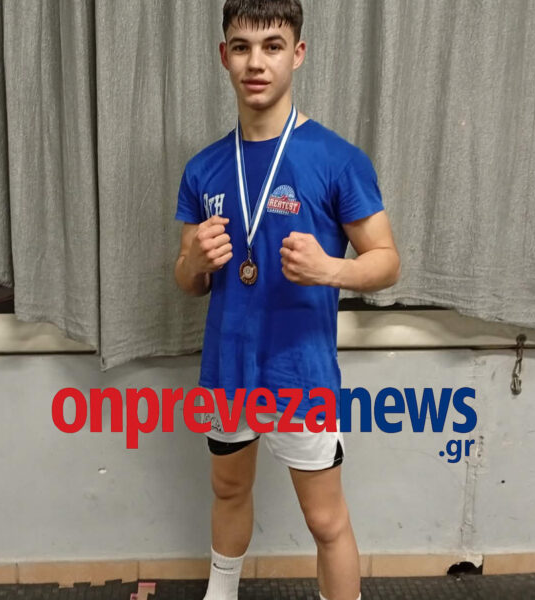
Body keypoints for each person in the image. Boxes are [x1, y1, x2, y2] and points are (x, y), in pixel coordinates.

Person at [173, 1, 400, 599]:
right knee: (228, 491)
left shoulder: (337, 159)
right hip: (228, 369)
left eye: (272, 46)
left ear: (296, 54)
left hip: (301, 371)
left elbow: (387, 261)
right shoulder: (203, 169)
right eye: (242, 47)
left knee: (326, 520)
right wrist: (194, 264)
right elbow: (188, 280)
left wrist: (331, 269)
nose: (256, 62)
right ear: (224, 57)